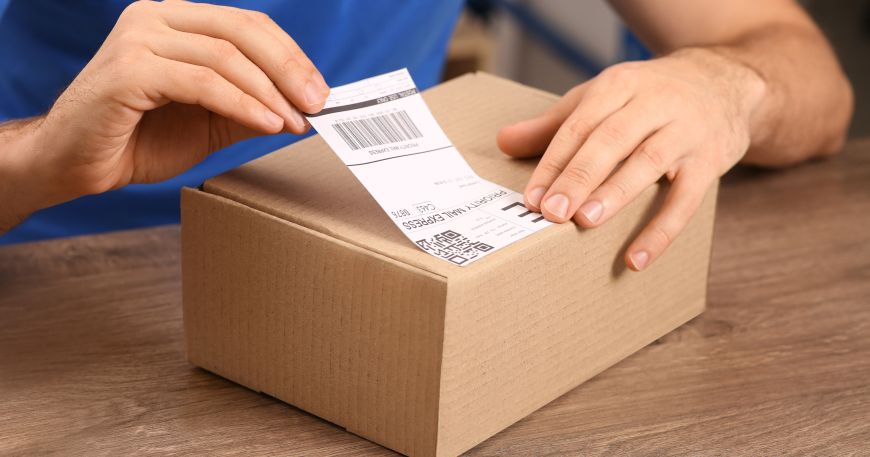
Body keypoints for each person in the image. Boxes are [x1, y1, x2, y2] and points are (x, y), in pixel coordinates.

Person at [0, 0, 853, 272]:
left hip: (373, 279)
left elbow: (811, 77)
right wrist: (36, 158)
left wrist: (726, 85)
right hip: (50, 291)